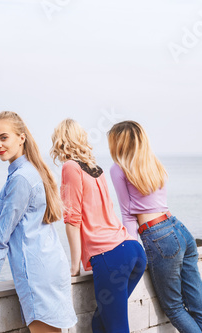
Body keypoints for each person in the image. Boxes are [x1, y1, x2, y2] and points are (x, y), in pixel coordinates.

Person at [0, 111, 77, 333]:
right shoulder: (33, 170)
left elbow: (2, 236)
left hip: (37, 273)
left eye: (3, 137)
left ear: (21, 137)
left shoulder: (21, 178)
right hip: (51, 264)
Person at [107, 121, 202, 333]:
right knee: (198, 304)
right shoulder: (153, 163)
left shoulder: (118, 168)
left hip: (158, 236)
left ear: (117, 143)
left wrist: (131, 251)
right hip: (179, 229)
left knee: (174, 307)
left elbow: (128, 213)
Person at [50, 118, 147, 333]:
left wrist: (74, 265)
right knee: (100, 323)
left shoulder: (70, 167)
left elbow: (72, 219)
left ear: (61, 141)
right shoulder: (97, 169)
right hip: (132, 250)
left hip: (110, 256)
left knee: (116, 328)